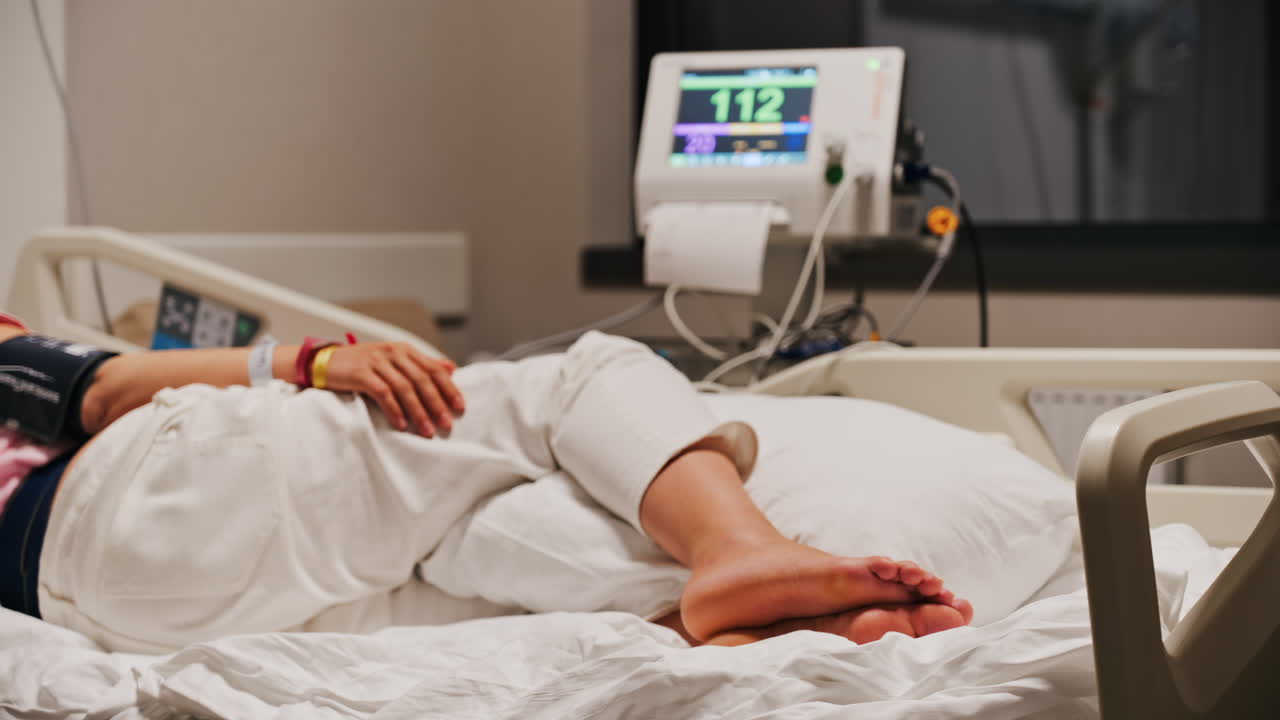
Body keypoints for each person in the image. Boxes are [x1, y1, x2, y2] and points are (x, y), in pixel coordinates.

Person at [0, 314, 972, 653]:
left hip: (101, 600)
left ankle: (757, 620)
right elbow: (97, 391)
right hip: (124, 494)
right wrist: (308, 359)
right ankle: (740, 551)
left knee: (474, 551)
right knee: (566, 386)